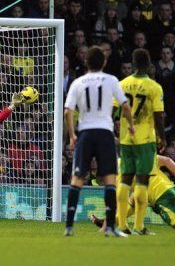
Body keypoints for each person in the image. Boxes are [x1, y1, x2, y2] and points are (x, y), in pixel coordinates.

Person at [63, 46, 134, 237]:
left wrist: (71, 134)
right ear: (104, 62)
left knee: (77, 179)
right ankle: (110, 227)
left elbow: (68, 110)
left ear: (86, 62)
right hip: (104, 133)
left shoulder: (78, 82)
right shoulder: (111, 80)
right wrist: (132, 126)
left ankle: (69, 227)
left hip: (85, 133)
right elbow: (125, 106)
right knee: (110, 180)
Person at [117, 48, 166, 235]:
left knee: (126, 179)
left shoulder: (122, 84)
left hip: (126, 139)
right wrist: (162, 137)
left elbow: (115, 112)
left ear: (133, 63)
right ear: (149, 65)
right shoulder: (154, 87)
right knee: (142, 180)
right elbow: (159, 115)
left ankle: (121, 225)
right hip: (145, 139)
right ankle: (139, 226)